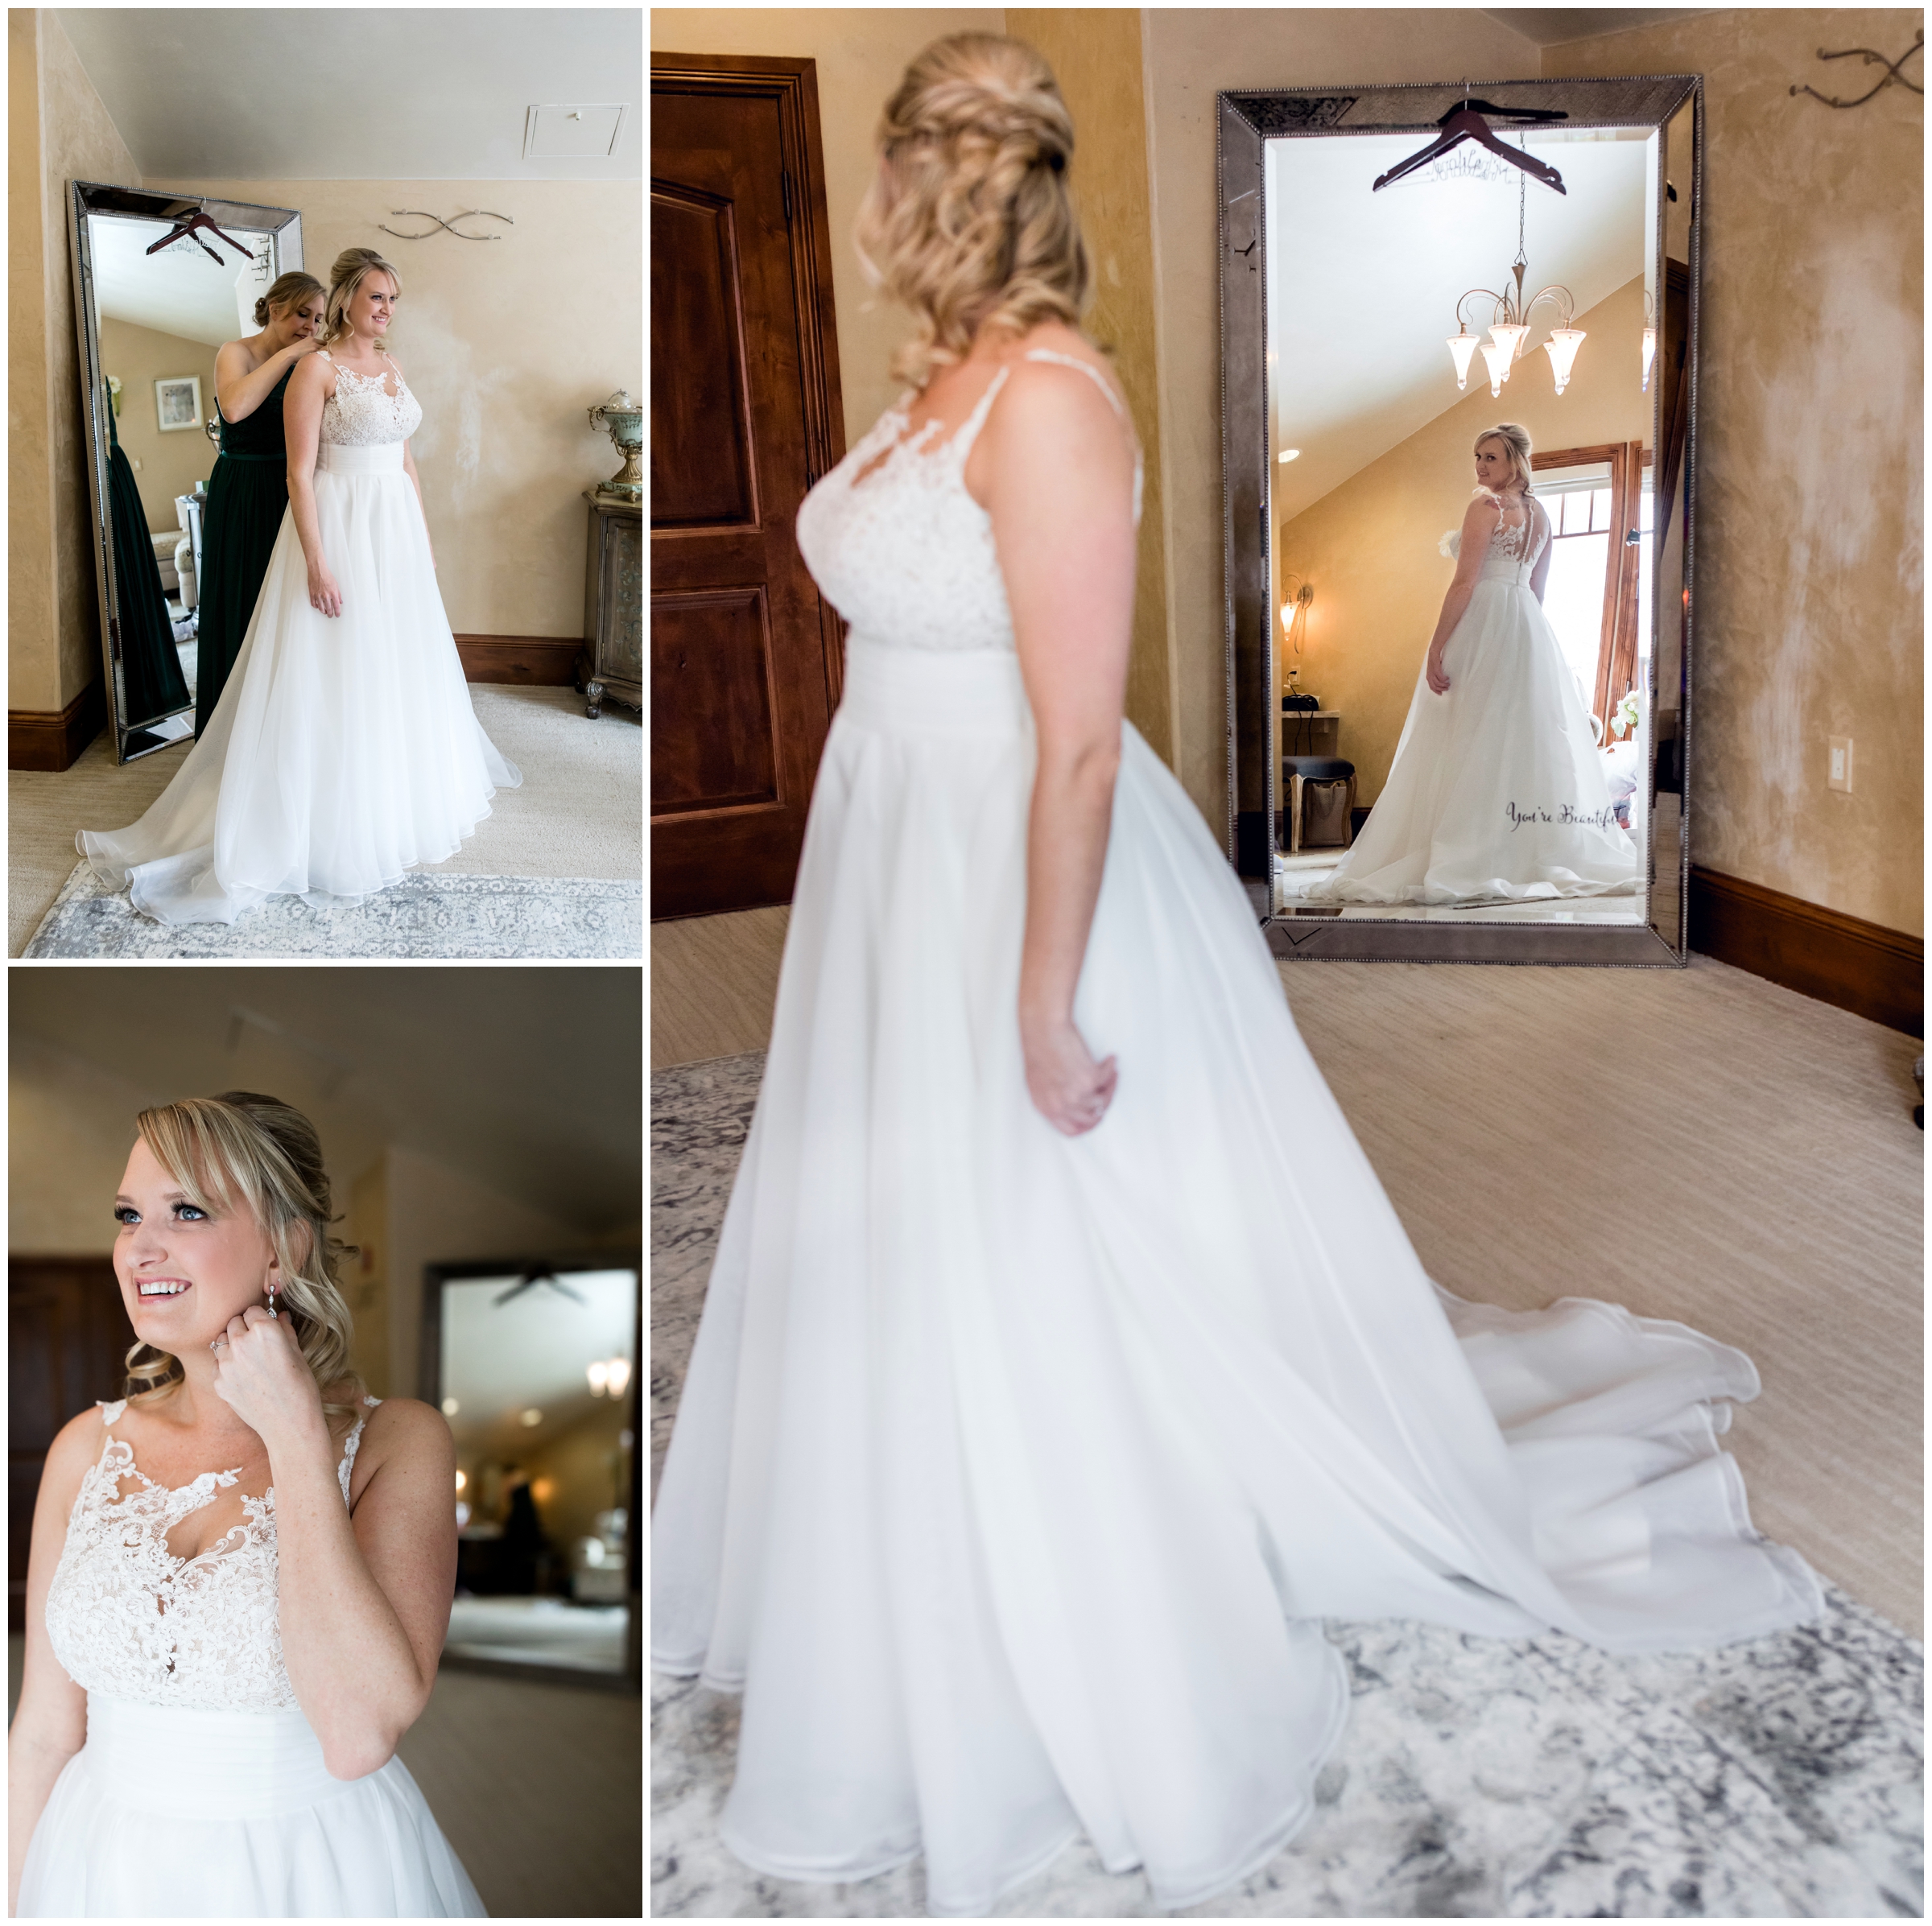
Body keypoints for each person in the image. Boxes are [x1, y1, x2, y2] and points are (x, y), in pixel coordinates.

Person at [649, 33, 1823, 1920]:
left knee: (1024, 1214)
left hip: (1006, 853)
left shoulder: (1046, 398)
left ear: (940, 183)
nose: (863, 205)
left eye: (887, 169)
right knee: (880, 1209)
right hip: (893, 840)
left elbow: (1082, 743)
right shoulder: (930, 382)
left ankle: (1062, 1582)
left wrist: (1038, 995)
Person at [8, 1092, 483, 1918]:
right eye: (129, 1214)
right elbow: (46, 1728)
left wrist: (297, 1434)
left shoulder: (400, 1443)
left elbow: (358, 1734)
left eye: (185, 1208)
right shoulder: (85, 1446)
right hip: (96, 1861)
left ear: (285, 1246)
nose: (139, 1247)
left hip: (308, 1866)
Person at [77, 247, 520, 927]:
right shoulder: (315, 367)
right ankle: (321, 813)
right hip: (341, 526)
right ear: (347, 300)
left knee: (393, 665)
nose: (387, 311)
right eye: (377, 298)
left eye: (394, 300)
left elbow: (406, 461)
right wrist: (317, 561)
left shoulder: (394, 366)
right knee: (332, 667)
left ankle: (389, 796)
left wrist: (424, 541)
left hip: (393, 533)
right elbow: (299, 474)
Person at [1302, 423, 1641, 906]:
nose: (1481, 467)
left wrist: (1437, 645)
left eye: (1491, 458)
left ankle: (1469, 848)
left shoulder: (1485, 507)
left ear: (1515, 462)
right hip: (1527, 628)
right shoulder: (1542, 516)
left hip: (1483, 623)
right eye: (1477, 456)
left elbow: (1464, 583)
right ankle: (1523, 848)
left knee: (1463, 733)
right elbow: (1538, 590)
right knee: (1517, 737)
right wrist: (1527, 640)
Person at [196, 271, 327, 732]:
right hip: (243, 487)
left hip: (294, 488)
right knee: (243, 597)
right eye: (302, 315)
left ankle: (284, 729)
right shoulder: (237, 352)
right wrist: (291, 353)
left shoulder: (312, 362)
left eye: (317, 318)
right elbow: (233, 409)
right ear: (275, 309)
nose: (311, 327)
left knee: (289, 607)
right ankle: (231, 732)